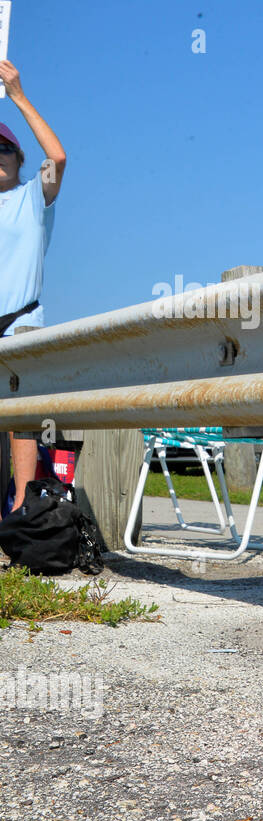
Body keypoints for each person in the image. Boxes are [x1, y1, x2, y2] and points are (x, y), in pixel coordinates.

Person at [0, 60, 67, 510]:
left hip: (20, 320)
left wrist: (18, 95)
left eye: (3, 149)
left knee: (21, 422)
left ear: (20, 159)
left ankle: (23, 518)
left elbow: (58, 157)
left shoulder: (33, 197)